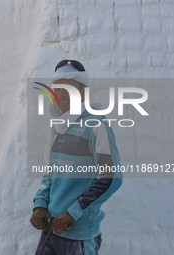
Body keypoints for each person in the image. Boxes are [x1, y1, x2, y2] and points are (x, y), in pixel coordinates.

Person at [30, 60, 122, 255]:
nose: (61, 93)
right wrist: (39, 205)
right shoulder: (57, 128)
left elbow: (110, 178)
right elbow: (50, 174)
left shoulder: (96, 125)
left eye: (68, 88)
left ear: (82, 92)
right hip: (51, 230)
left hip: (79, 235)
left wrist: (72, 213)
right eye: (58, 88)